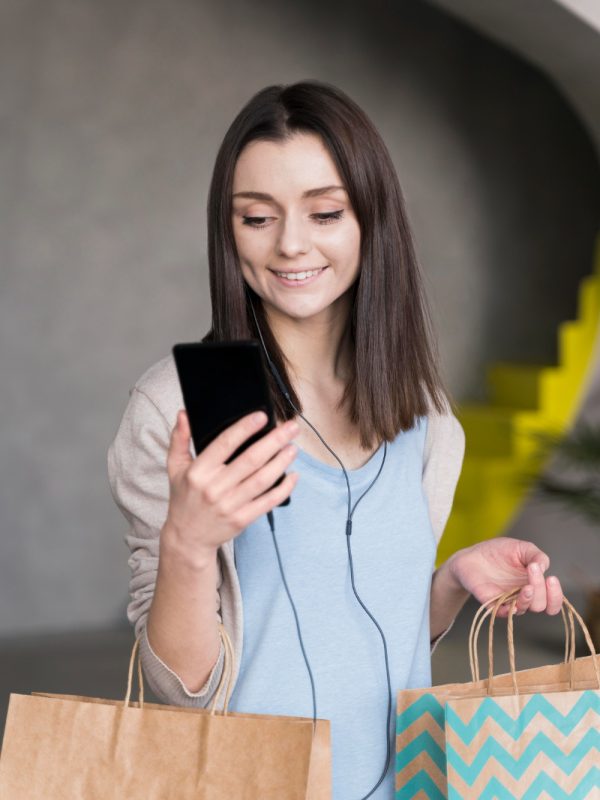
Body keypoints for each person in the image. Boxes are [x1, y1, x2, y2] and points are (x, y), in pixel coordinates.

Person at [107, 80, 564, 799]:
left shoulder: (424, 412)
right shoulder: (183, 407)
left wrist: (448, 584)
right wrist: (187, 545)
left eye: (324, 213)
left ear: (371, 221)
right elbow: (181, 691)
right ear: (227, 230)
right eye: (257, 217)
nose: (291, 244)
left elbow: (367, 629)